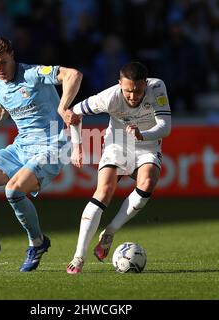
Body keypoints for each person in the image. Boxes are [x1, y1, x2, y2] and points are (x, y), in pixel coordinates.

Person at [0, 37, 82, 272]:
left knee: (13, 191)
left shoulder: (34, 74)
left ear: (13, 56)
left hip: (53, 145)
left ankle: (37, 243)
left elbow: (73, 75)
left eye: (3, 63)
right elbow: (1, 110)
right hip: (21, 147)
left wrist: (63, 106)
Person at [65, 61, 171, 274]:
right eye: (128, 91)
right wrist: (77, 147)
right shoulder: (109, 97)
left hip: (148, 145)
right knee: (104, 191)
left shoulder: (157, 87)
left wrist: (143, 135)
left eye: (138, 91)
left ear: (146, 85)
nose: (133, 96)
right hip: (118, 145)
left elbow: (165, 126)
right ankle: (79, 257)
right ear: (119, 84)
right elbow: (74, 113)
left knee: (148, 182)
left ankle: (110, 232)